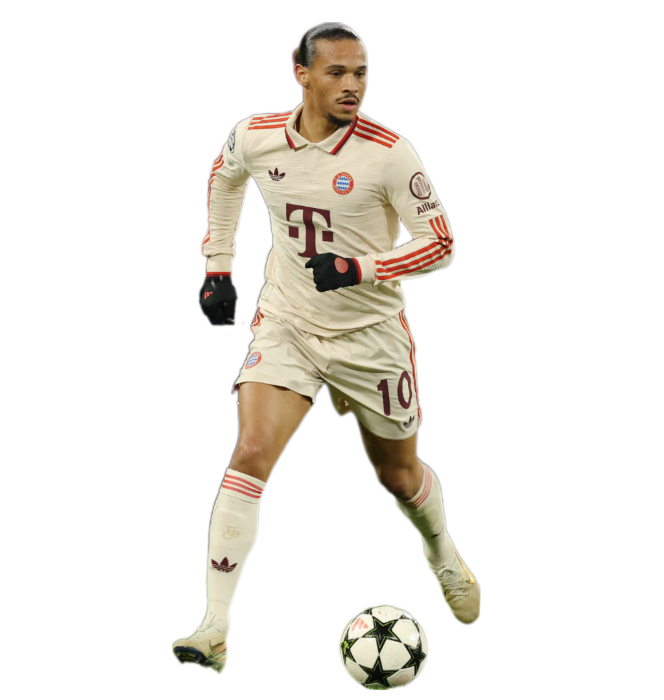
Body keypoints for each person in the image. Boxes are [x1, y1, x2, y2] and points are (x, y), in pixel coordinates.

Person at [174, 21, 479, 674]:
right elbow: (225, 176)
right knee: (252, 451)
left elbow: (442, 244)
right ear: (301, 74)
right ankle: (215, 625)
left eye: (360, 72)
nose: (351, 85)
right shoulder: (256, 136)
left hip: (371, 337)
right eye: (337, 72)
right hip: (289, 323)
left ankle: (441, 551)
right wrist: (218, 265)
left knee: (398, 476)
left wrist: (359, 269)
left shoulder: (389, 153)